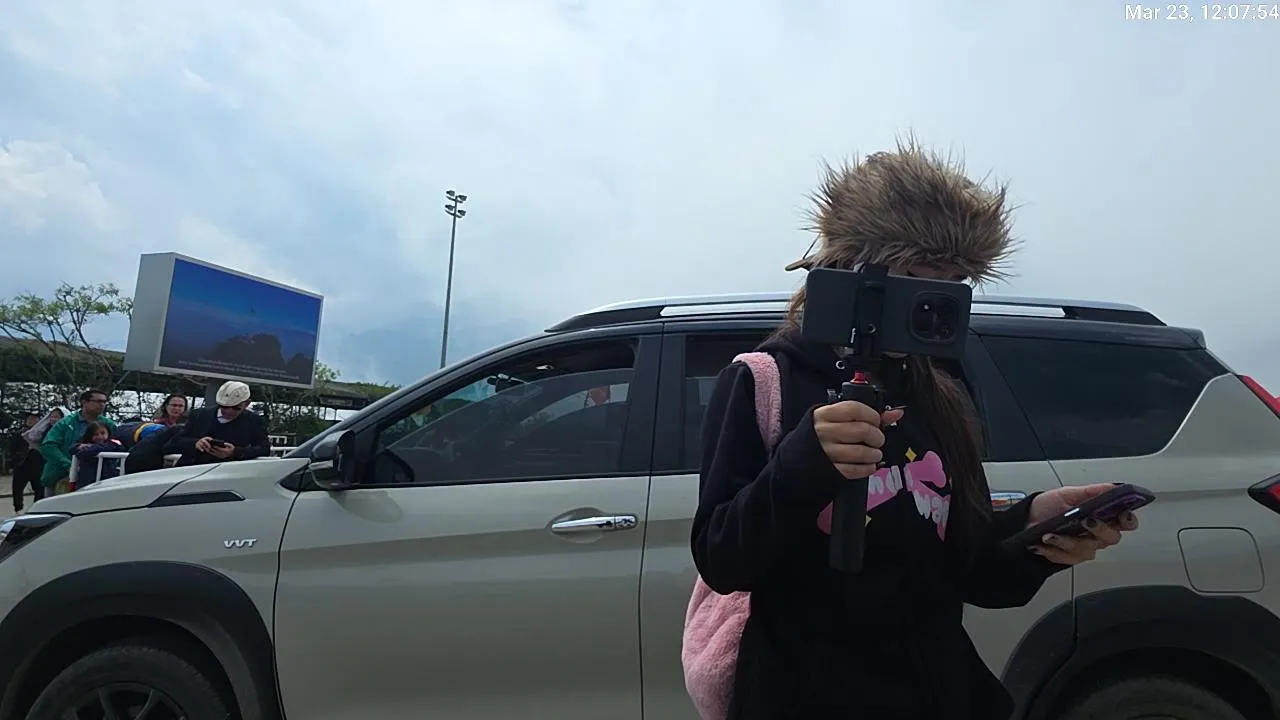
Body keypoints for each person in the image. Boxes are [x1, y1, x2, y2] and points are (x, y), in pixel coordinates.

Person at [690, 139, 1141, 720]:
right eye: (919, 278)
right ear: (853, 270)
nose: (935, 305)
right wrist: (806, 461)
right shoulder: (764, 380)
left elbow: (973, 575)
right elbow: (723, 559)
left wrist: (1036, 532)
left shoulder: (942, 390)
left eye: (954, 283)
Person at [168, 381, 270, 467]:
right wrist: (196, 443)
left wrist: (235, 452)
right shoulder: (199, 415)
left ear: (247, 403)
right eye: (224, 407)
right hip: (191, 469)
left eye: (236, 408)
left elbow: (264, 449)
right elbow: (174, 443)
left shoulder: (253, 420)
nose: (229, 411)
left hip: (227, 472)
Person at [40, 390, 117, 497]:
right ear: (84, 402)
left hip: (99, 480)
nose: (102, 405)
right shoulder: (65, 423)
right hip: (60, 477)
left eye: (104, 402)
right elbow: (48, 446)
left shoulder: (109, 424)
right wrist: (68, 465)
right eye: (98, 401)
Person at [70, 422, 123, 490]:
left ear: (108, 433)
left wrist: (88, 447)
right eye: (95, 434)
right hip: (86, 482)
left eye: (103, 433)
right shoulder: (83, 444)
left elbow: (89, 451)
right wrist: (80, 447)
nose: (100, 437)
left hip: (107, 481)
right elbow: (72, 449)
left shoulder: (113, 444)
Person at [8, 412, 41, 513]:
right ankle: (19, 509)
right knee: (17, 488)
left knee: (39, 489)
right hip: (21, 464)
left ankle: (37, 509)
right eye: (29, 419)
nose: (31, 421)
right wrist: (14, 462)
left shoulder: (41, 433)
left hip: (38, 465)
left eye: (34, 419)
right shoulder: (19, 433)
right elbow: (11, 449)